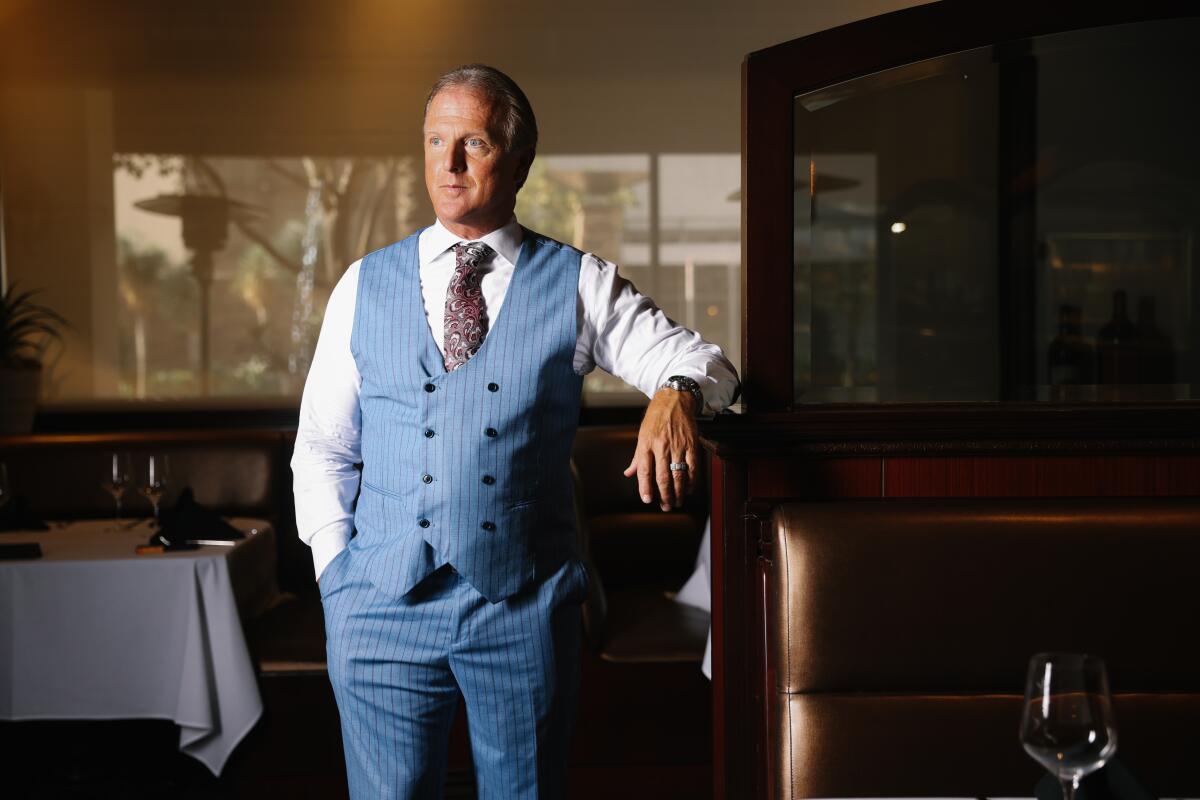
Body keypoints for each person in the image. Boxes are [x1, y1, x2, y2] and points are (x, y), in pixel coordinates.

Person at [292, 63, 739, 799]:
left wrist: (678, 392)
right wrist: (335, 577)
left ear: (520, 158)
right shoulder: (361, 284)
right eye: (436, 141)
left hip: (522, 611)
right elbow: (324, 448)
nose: (450, 162)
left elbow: (705, 361)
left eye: (473, 142)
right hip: (376, 606)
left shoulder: (580, 283)